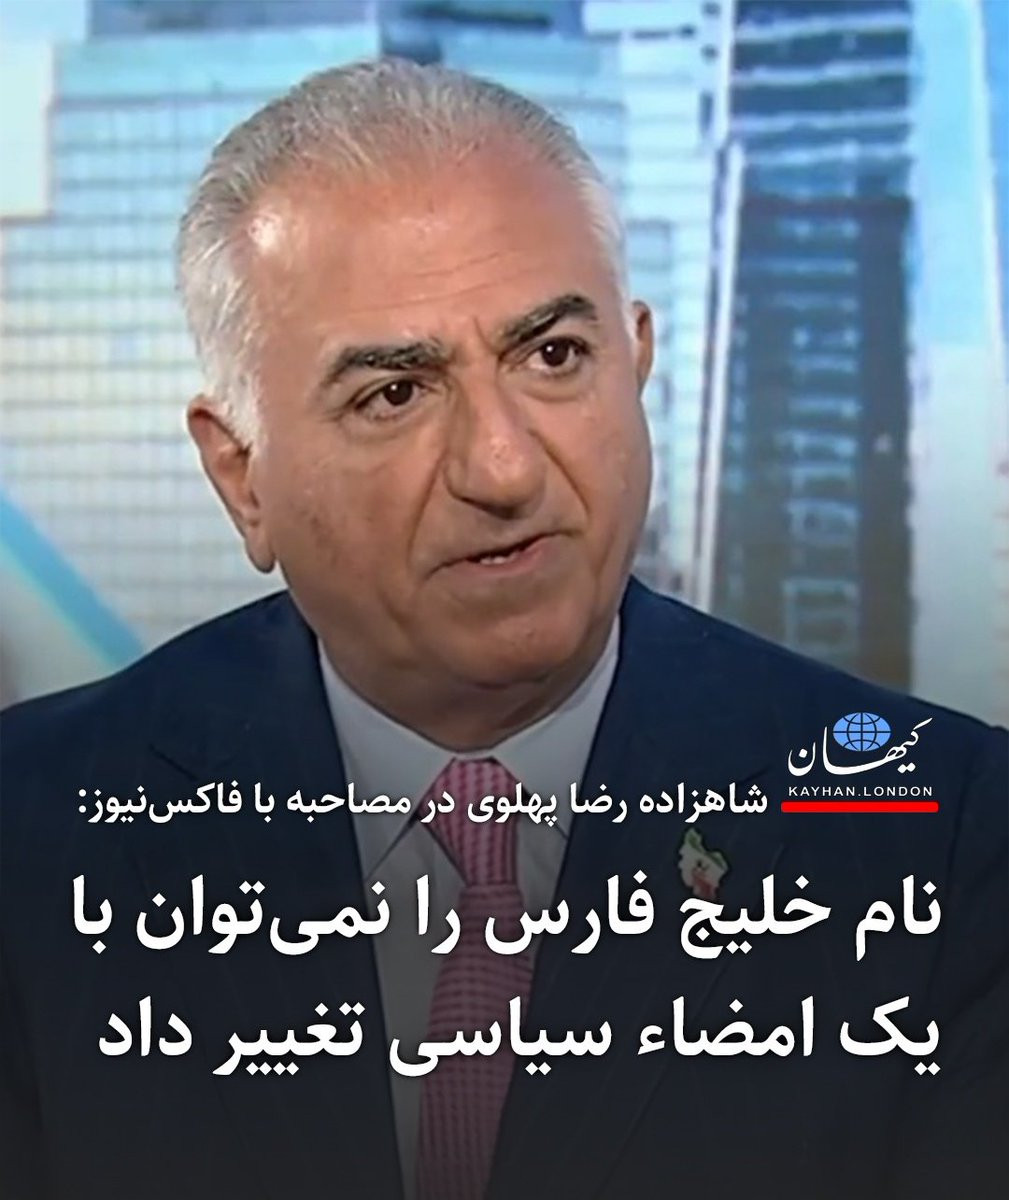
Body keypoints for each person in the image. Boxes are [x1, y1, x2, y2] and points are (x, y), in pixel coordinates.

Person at [1, 58, 1005, 1200]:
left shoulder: (945, 835)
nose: (503, 467)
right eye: (394, 393)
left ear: (637, 361)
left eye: (553, 357)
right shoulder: (33, 835)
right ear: (242, 478)